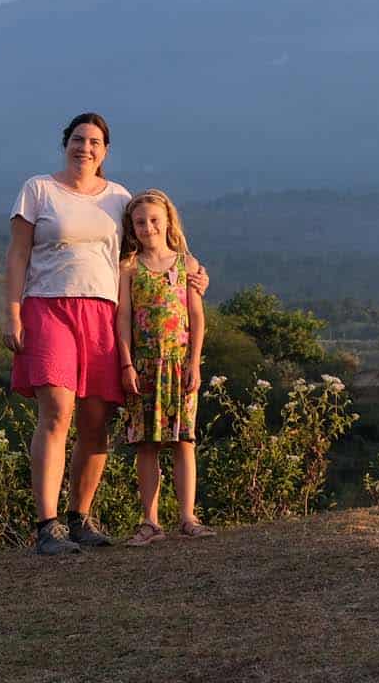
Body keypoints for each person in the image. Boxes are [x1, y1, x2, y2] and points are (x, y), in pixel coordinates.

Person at [5, 112, 208, 556]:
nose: (86, 148)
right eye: (79, 139)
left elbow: (154, 242)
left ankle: (80, 518)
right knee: (57, 414)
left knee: (97, 423)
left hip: (102, 313)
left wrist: (194, 274)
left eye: (95, 142)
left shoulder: (118, 197)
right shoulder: (38, 189)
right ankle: (47, 526)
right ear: (65, 143)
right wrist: (13, 313)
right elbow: (18, 254)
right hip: (48, 306)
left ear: (106, 150)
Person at [116, 188, 214, 544]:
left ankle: (188, 516)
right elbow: (123, 318)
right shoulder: (128, 267)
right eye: (140, 222)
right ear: (132, 226)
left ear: (168, 220)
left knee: (184, 441)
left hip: (179, 365)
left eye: (154, 220)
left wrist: (195, 363)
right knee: (147, 444)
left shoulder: (187, 264)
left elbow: (197, 318)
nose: (148, 227)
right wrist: (126, 364)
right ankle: (150, 521)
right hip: (143, 366)